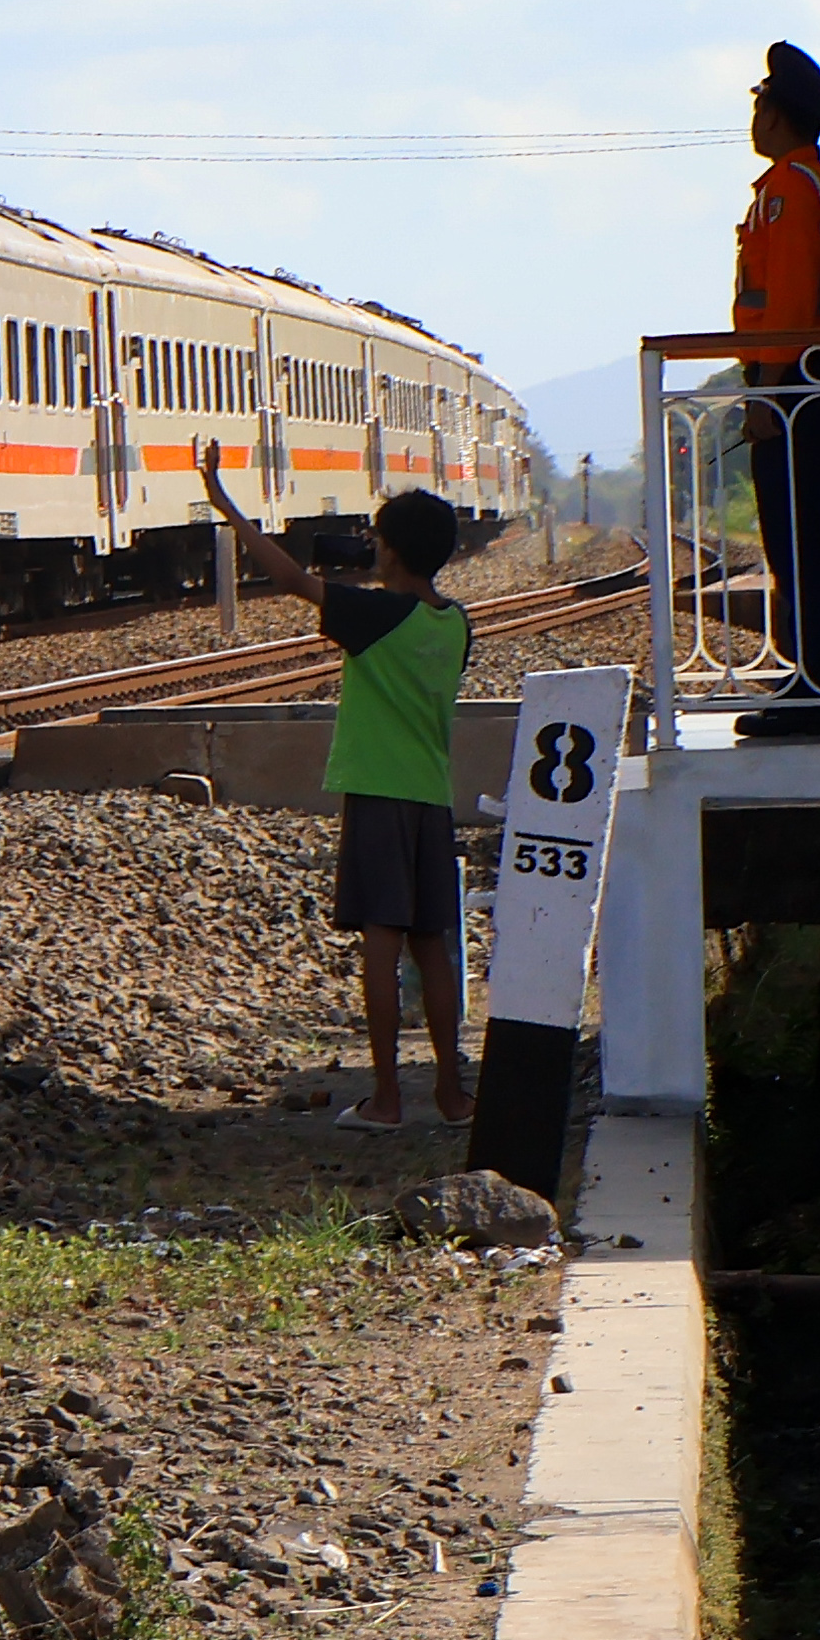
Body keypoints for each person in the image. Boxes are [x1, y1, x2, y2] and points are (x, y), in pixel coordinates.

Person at [199, 444, 476, 1129]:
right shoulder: (455, 622)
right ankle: (450, 1094)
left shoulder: (376, 617)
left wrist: (225, 503)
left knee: (379, 944)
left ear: (390, 552)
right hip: (431, 795)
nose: (372, 550)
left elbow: (290, 577)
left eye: (377, 541)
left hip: (378, 793)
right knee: (431, 946)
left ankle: (384, 1099)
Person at [733, 42, 820, 740]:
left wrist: (766, 391)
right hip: (818, 380)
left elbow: (782, 302)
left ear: (778, 116)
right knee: (811, 537)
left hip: (795, 385)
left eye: (757, 105)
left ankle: (816, 689)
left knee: (797, 538)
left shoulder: (788, 189)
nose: (752, 118)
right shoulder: (818, 186)